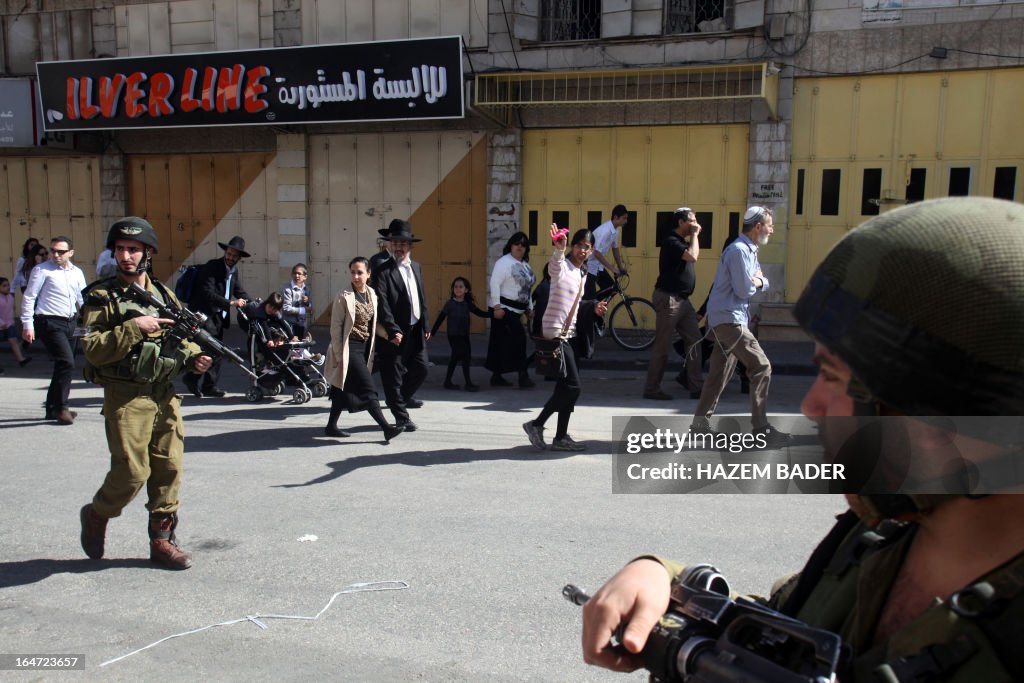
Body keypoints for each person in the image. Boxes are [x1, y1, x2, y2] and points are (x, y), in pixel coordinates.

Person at [579, 196, 1024, 682]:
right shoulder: (880, 532)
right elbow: (794, 623)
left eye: (834, 378)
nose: (811, 406)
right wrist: (668, 579)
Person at [78, 217, 212, 570]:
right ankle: (97, 513)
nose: (126, 256)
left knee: (169, 468)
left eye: (133, 249)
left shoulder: (163, 295)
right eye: (120, 249)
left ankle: (162, 542)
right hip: (126, 395)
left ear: (148, 253)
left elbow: (181, 337)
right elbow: (91, 348)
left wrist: (195, 357)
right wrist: (133, 327)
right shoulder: (101, 296)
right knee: (132, 473)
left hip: (163, 393)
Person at [691, 206, 787, 444]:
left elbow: (753, 282)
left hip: (728, 317)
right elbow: (745, 288)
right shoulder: (739, 251)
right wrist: (760, 280)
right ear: (757, 227)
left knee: (719, 375)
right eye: (770, 225)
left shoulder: (747, 250)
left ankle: (699, 426)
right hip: (729, 320)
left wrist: (758, 280)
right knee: (761, 366)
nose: (772, 230)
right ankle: (760, 427)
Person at [523, 225, 608, 452]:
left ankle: (560, 437)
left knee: (565, 387)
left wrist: (594, 308)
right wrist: (558, 250)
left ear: (591, 251)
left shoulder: (582, 274)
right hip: (556, 333)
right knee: (574, 386)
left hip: (570, 334)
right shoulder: (563, 267)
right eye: (579, 245)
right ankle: (536, 424)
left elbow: (576, 305)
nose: (582, 250)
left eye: (586, 247)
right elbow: (554, 267)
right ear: (572, 246)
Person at [324, 257, 403, 442]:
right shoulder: (344, 296)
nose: (356, 276)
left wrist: (390, 336)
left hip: (364, 348)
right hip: (347, 349)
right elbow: (335, 328)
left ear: (369, 274)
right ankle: (386, 428)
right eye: (353, 272)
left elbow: (373, 324)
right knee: (369, 389)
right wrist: (338, 355)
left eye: (360, 272)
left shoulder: (372, 295)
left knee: (340, 390)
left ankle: (330, 426)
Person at [20, 236, 88, 424]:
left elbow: (82, 299)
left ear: (71, 253)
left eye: (61, 251)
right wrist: (27, 324)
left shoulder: (77, 272)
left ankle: (52, 408)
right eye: (53, 251)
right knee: (67, 363)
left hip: (71, 322)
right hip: (49, 322)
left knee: (63, 365)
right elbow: (29, 297)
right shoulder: (42, 270)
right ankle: (61, 407)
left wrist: (89, 323)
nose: (55, 254)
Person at [371, 219, 429, 432]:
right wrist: (393, 329)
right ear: (389, 244)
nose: (398, 247)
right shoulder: (382, 270)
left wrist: (426, 324)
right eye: (394, 243)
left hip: (415, 330)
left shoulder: (417, 267)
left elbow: (421, 298)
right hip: (392, 332)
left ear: (410, 246)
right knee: (392, 375)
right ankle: (401, 416)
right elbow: (382, 303)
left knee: (421, 368)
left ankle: (397, 401)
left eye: (403, 243)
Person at [643, 207, 704, 401]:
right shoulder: (670, 241)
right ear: (681, 222)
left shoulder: (682, 242)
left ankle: (696, 387)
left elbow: (694, 254)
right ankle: (652, 388)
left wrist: (693, 236)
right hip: (669, 298)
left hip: (683, 301)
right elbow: (692, 256)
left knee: (695, 341)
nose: (695, 224)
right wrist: (695, 235)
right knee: (662, 346)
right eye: (692, 221)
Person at [184, 235, 250, 398]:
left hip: (218, 318)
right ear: (225, 252)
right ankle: (192, 377)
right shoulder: (212, 267)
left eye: (234, 256)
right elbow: (206, 293)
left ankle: (208, 385)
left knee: (217, 350)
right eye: (228, 254)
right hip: (204, 315)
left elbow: (239, 291)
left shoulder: (233, 272)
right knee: (213, 349)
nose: (230, 258)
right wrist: (230, 303)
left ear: (239, 258)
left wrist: (254, 303)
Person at [485, 232, 536, 389]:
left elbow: (527, 289)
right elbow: (494, 284)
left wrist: (529, 308)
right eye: (516, 243)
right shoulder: (503, 262)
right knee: (518, 341)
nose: (519, 247)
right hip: (504, 310)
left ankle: (496, 376)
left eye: (523, 244)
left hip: (518, 310)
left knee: (501, 345)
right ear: (511, 245)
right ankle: (523, 376)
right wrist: (497, 307)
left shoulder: (526, 266)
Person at [428, 276, 492, 391]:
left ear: (466, 290)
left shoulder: (468, 304)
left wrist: (493, 313)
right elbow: (440, 318)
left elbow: (480, 313)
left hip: (464, 335)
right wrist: (432, 332)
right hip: (453, 335)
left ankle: (448, 382)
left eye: (461, 287)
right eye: (455, 287)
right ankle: (468, 383)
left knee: (455, 357)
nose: (458, 289)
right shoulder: (450, 304)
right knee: (465, 355)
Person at [584, 204, 629, 300]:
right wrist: (613, 269)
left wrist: (621, 267)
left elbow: (615, 249)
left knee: (611, 288)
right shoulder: (605, 230)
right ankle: (590, 307)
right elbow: (596, 253)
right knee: (590, 297)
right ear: (616, 217)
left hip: (598, 266)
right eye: (624, 218)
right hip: (589, 266)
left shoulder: (616, 230)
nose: (626, 221)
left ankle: (594, 307)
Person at [0, 277, 31, 372]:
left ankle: (21, 359)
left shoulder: (10, 297)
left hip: (9, 324)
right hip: (1, 325)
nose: (8, 287)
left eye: (8, 285)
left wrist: (12, 321)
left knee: (13, 341)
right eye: (4, 286)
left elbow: (11, 310)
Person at [281, 263, 311, 340]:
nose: (296, 276)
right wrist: (302, 310)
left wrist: (308, 303)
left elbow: (310, 307)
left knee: (300, 349)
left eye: (299, 274)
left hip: (301, 325)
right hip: (290, 325)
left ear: (305, 277)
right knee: (291, 349)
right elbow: (286, 308)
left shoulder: (306, 289)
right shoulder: (287, 289)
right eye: (295, 273)